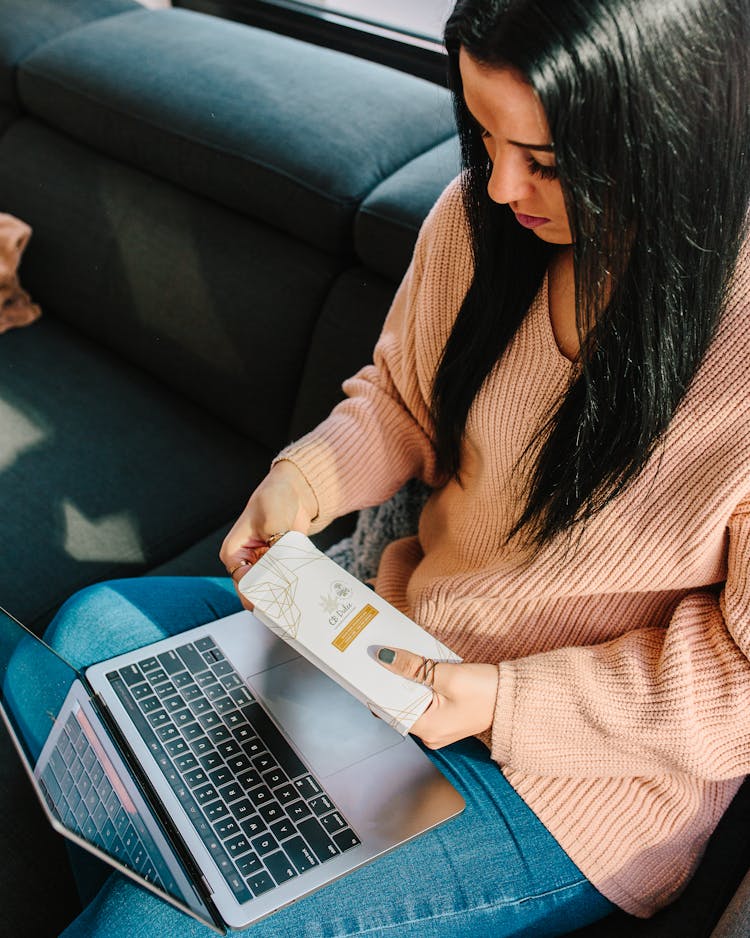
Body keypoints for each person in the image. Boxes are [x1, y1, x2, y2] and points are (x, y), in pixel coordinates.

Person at [32, 0, 750, 934]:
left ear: (674, 132)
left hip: (571, 782)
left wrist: (503, 701)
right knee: (82, 640)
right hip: (396, 647)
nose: (497, 187)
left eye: (546, 162)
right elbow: (404, 401)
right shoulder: (483, 224)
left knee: (149, 918)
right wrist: (309, 482)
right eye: (483, 137)